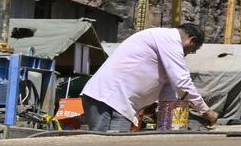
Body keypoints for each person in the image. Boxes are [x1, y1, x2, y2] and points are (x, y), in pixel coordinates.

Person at [81, 22, 219, 132]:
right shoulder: (168, 39)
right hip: (106, 97)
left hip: (121, 103)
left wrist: (170, 124)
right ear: (192, 40)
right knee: (105, 145)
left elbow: (169, 94)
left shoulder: (166, 50)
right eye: (192, 51)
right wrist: (206, 111)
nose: (188, 55)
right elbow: (182, 82)